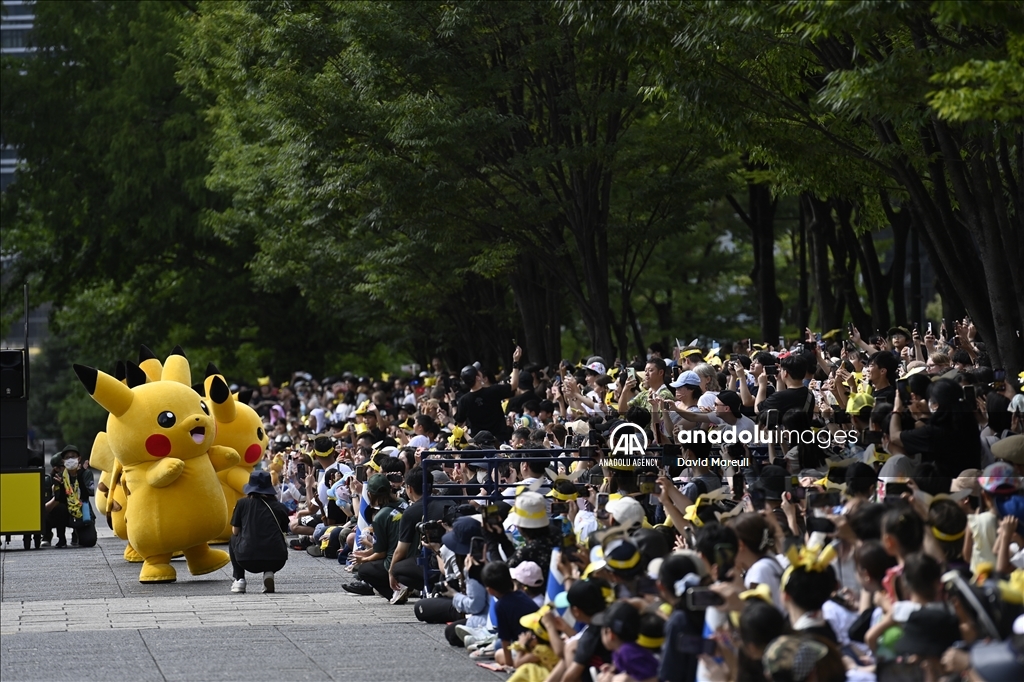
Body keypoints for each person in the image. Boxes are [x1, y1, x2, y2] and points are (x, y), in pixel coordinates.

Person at [343, 473, 406, 599]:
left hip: (394, 561)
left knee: (363, 570)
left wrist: (363, 560)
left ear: (370, 494)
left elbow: (381, 552)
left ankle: (393, 592)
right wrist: (365, 553)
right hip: (409, 555)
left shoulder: (380, 517)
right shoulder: (403, 503)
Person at [229, 471, 290, 593]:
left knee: (233, 538)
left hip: (246, 558)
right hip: (277, 559)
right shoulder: (280, 507)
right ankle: (269, 572)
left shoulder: (243, 503)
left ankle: (239, 579)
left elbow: (235, 531)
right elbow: (283, 530)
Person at [456, 346, 522, 441]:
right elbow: (514, 385)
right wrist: (515, 362)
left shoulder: (464, 400)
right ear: (478, 378)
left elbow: (459, 422)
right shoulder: (493, 391)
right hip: (499, 440)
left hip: (478, 444)